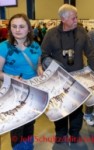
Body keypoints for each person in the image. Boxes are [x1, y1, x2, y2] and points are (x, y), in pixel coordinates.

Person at [41, 4, 94, 146]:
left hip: (78, 79)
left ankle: (74, 134)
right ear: (63, 19)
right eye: (73, 18)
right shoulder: (51, 34)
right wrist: (50, 65)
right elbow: (43, 55)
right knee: (60, 109)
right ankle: (61, 133)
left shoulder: (81, 32)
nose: (77, 20)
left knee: (76, 111)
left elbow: (91, 53)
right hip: (58, 81)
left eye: (76, 17)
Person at [0, 13, 43, 150]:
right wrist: (10, 77)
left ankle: (28, 146)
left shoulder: (35, 46)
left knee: (30, 121)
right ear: (10, 28)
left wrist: (40, 70)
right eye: (14, 26)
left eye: (21, 26)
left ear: (29, 29)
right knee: (17, 124)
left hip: (32, 90)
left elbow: (38, 65)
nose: (17, 30)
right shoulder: (4, 47)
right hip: (13, 91)